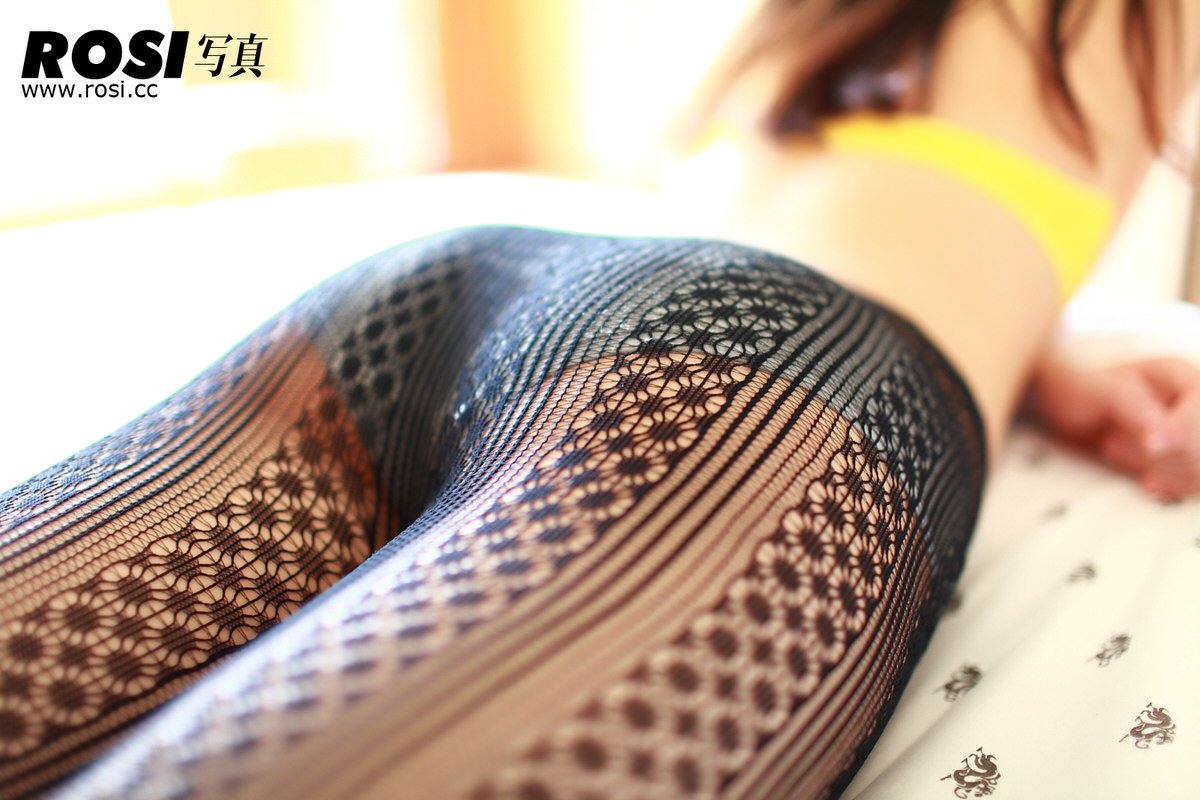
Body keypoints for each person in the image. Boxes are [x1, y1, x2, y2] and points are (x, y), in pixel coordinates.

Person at [0, 1, 1198, 798]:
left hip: (467, 291)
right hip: (747, 382)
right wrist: (1041, 339)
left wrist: (1046, 345)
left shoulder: (798, 31)